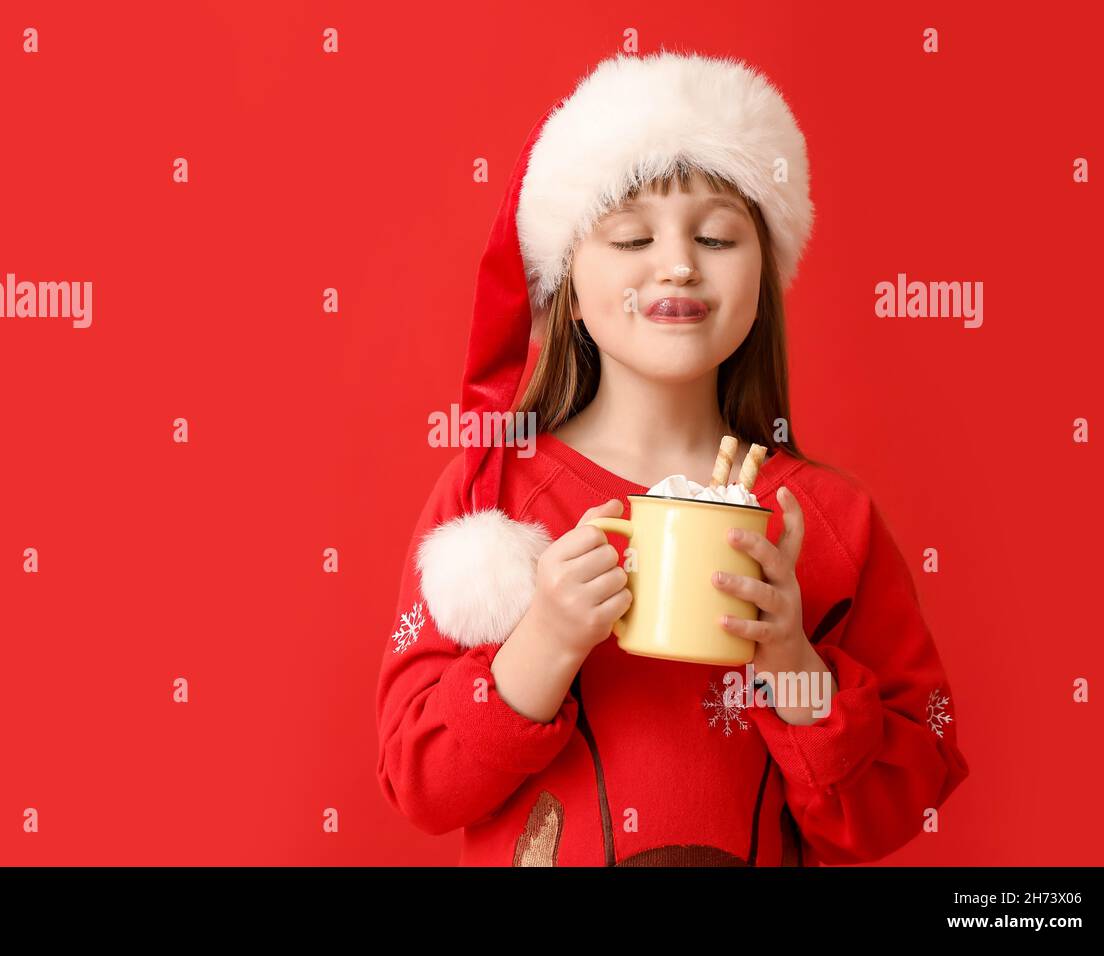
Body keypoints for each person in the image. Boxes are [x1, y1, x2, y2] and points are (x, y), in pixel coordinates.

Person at [374, 50, 969, 866]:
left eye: (718, 234)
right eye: (631, 237)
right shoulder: (493, 503)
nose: (680, 262)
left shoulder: (829, 523)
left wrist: (792, 661)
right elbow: (420, 783)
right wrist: (544, 641)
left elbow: (902, 796)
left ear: (765, 271)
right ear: (570, 289)